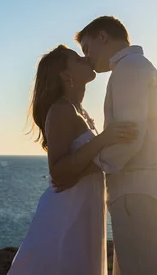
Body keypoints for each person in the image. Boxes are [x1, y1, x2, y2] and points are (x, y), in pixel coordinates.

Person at [8, 44, 137, 275]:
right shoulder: (60, 110)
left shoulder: (78, 110)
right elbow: (58, 172)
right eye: (77, 59)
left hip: (83, 209)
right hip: (66, 214)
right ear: (66, 75)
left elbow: (87, 163)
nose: (86, 59)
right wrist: (104, 140)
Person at [72, 16, 157, 275]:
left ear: (103, 36)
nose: (87, 58)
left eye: (87, 48)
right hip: (143, 190)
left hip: (137, 190)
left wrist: (90, 162)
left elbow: (128, 137)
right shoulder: (135, 66)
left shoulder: (130, 67)